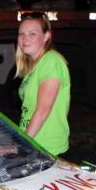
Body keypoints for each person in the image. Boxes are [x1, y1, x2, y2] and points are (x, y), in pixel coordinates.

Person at [15, 11, 71, 156]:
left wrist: (21, 146)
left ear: (46, 37)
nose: (25, 39)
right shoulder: (35, 65)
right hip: (33, 141)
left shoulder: (51, 61)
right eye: (21, 34)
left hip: (46, 148)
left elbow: (42, 111)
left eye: (32, 33)